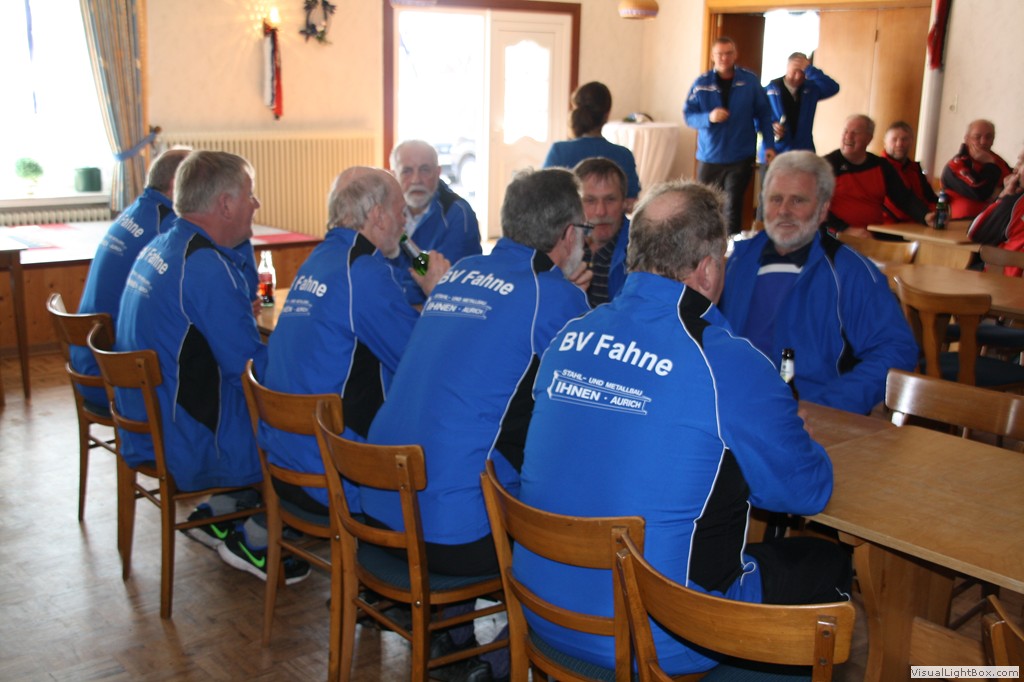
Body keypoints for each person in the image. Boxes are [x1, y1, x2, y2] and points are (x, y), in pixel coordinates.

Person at [515, 179, 850, 677]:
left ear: (631, 256)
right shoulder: (726, 362)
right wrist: (792, 437)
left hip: (542, 610)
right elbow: (805, 493)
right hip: (660, 636)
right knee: (828, 563)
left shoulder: (569, 336)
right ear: (710, 269)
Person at [362, 168, 591, 682]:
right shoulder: (555, 296)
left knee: (480, 449)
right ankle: (503, 660)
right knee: (564, 514)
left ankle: (457, 635)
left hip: (378, 508)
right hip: (445, 537)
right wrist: (576, 304)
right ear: (567, 234)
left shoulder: (460, 273)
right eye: (584, 230)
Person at [217, 167, 451, 578]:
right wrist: (438, 295)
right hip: (327, 474)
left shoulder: (321, 258)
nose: (405, 223)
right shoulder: (362, 271)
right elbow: (421, 362)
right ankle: (410, 585)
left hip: (283, 463)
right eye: (400, 212)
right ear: (377, 216)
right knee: (442, 459)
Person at [113, 151, 310, 578]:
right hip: (183, 438)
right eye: (250, 195)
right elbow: (251, 372)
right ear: (224, 204)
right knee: (312, 420)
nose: (256, 204)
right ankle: (259, 536)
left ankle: (222, 509)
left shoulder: (163, 244)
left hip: (146, 421)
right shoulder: (204, 267)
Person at [720, 150, 919, 415]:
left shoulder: (850, 273)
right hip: (733, 409)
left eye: (798, 200)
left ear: (823, 209)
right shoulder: (738, 261)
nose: (783, 211)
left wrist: (829, 407)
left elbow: (897, 351)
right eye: (775, 199)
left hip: (812, 415)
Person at [71, 148, 190, 406]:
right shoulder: (165, 227)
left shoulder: (135, 211)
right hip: (117, 377)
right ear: (176, 184)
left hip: (90, 361)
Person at [684, 36, 776, 235]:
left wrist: (769, 144)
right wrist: (709, 117)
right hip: (710, 156)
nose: (724, 58)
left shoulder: (749, 81)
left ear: (735, 55)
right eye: (719, 54)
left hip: (740, 156)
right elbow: (688, 116)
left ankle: (730, 246)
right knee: (705, 205)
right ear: (712, 56)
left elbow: (764, 114)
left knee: (732, 206)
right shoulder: (701, 83)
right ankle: (704, 244)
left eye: (728, 54)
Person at [389, 140, 481, 306]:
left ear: (438, 172)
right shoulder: (384, 212)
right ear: (394, 175)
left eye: (425, 170)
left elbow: (446, 282)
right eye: (407, 171)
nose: (416, 180)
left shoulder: (458, 214)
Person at [822, 114, 934, 238]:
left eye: (855, 133)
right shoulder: (826, 165)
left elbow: (904, 198)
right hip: (836, 235)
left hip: (873, 233)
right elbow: (816, 207)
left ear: (868, 138)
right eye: (845, 132)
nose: (848, 137)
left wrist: (925, 215)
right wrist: (845, 229)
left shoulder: (881, 166)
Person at [543, 81, 641, 207]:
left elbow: (544, 197)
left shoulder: (559, 151)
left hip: (569, 219)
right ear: (606, 115)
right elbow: (631, 203)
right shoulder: (624, 155)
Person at [574, 157, 631, 306]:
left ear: (624, 203)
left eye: (610, 199)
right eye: (590, 200)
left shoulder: (642, 252)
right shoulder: (559, 246)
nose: (601, 211)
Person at [763, 52, 840, 156]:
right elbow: (755, 117)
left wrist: (810, 69)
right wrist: (771, 126)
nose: (798, 76)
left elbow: (833, 88)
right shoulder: (769, 91)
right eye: (795, 71)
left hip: (804, 152)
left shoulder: (811, 89)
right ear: (787, 68)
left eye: (802, 72)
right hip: (776, 151)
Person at [941, 119, 1013, 220]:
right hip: (963, 221)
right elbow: (979, 193)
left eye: (988, 137)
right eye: (977, 137)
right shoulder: (956, 165)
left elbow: (1014, 188)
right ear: (967, 139)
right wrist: (990, 165)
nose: (983, 142)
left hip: (996, 220)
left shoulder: (998, 162)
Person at [968, 147, 1024, 275]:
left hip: (1006, 280)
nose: (1015, 169)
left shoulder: (1017, 203)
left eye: (1021, 163)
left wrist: (1004, 196)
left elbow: (975, 232)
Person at [881, 120, 937, 223]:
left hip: (920, 221)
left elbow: (930, 197)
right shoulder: (879, 168)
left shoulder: (914, 169)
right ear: (885, 142)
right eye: (894, 139)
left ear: (911, 142)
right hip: (889, 224)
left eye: (904, 139)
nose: (899, 144)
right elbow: (900, 201)